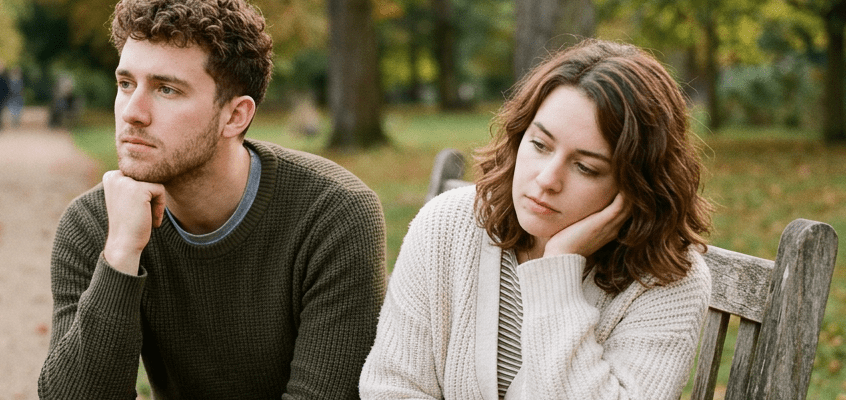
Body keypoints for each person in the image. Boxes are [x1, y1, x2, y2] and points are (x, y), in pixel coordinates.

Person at [37, 0, 387, 398]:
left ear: (235, 116)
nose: (132, 112)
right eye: (126, 84)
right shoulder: (94, 224)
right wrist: (119, 255)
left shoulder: (332, 215)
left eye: (166, 89)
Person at [360, 38, 714, 399]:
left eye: (586, 167)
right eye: (540, 145)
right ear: (519, 135)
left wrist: (558, 270)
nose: (547, 179)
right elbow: (391, 387)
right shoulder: (448, 224)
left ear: (636, 184)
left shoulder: (668, 283)